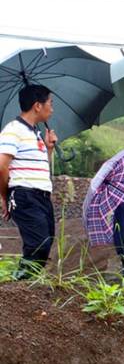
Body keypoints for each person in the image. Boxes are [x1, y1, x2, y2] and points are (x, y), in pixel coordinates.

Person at [0, 85, 57, 279]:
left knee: (46, 242)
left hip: (41, 195)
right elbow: (1, 167)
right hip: (24, 195)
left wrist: (48, 149)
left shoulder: (36, 134)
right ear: (37, 106)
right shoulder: (13, 130)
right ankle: (16, 287)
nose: (52, 108)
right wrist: (4, 196)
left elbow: (41, 168)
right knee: (38, 243)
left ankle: (24, 288)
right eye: (50, 103)